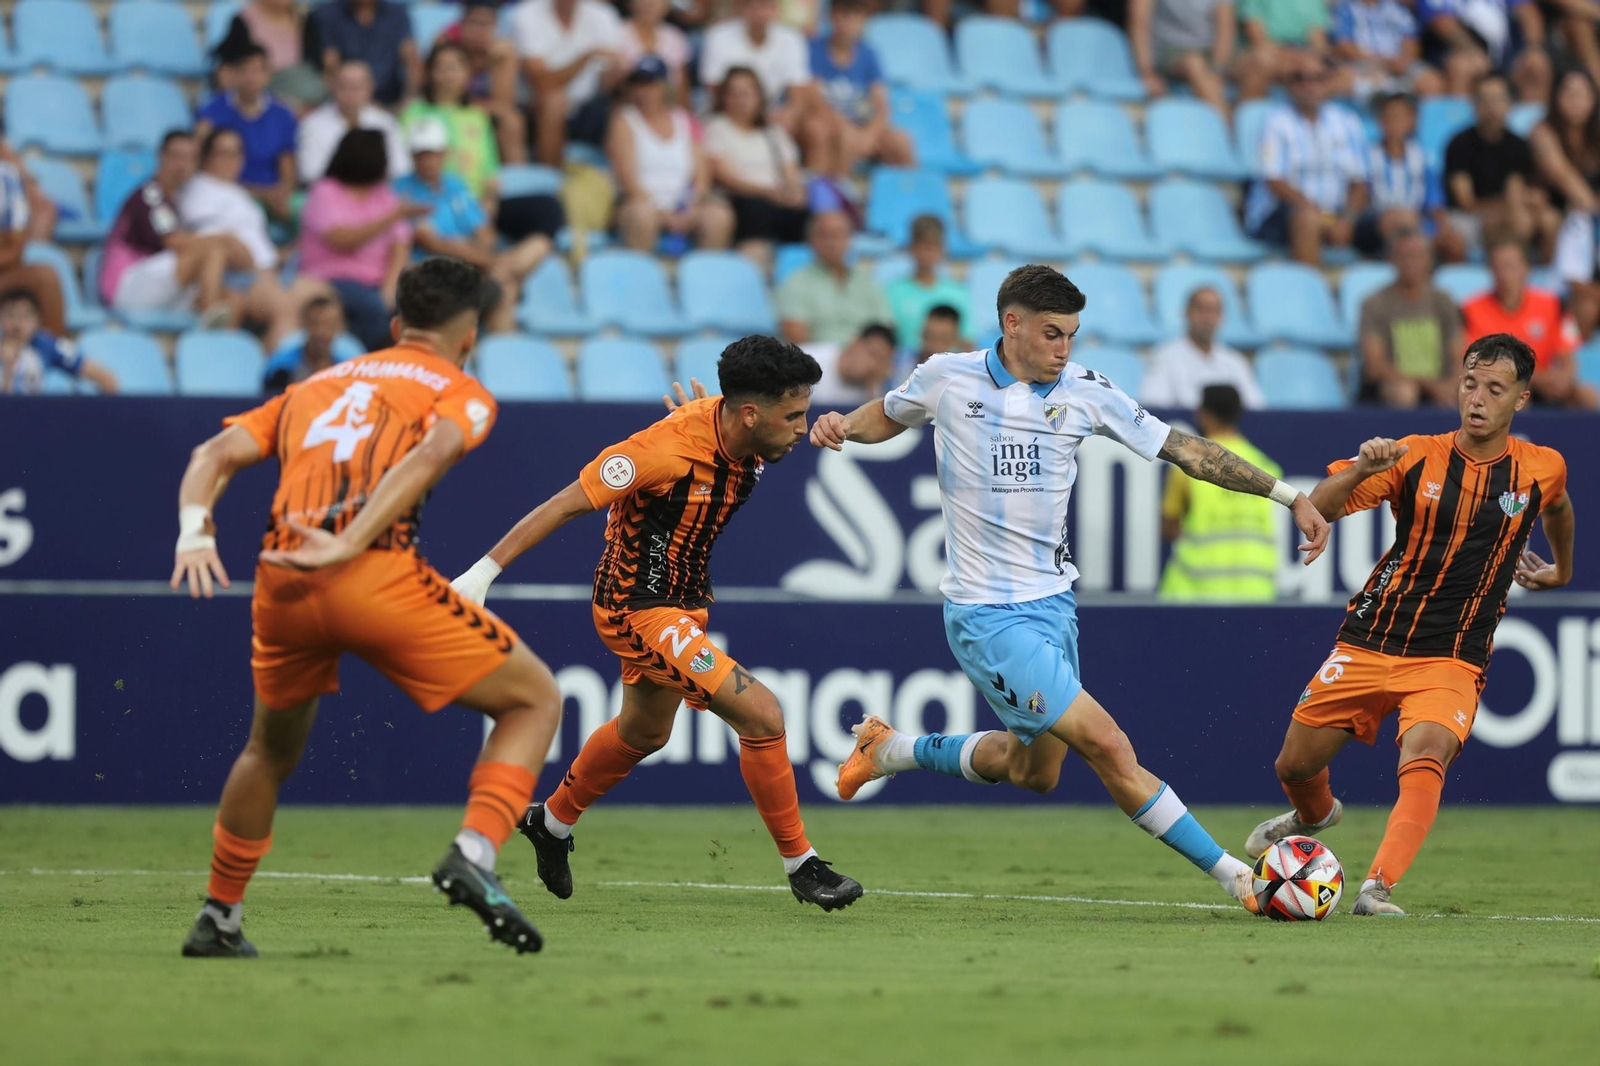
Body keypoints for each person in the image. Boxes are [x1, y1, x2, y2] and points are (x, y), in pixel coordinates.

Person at [818, 265, 1330, 916]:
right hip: (988, 615)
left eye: (1073, 335)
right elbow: (889, 414)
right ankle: (1240, 879)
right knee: (1110, 747)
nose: (1065, 349)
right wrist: (843, 426)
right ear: (1013, 324)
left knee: (1036, 773)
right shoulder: (948, 377)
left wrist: (1286, 495)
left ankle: (889, 749)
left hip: (1054, 606)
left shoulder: (1087, 391)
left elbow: (1185, 450)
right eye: (1053, 334)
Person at [171, 257, 562, 958]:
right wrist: (349, 540)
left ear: (393, 324)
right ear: (469, 332)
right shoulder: (460, 388)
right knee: (534, 699)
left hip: (282, 580)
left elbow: (214, 452)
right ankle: (474, 852)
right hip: (370, 574)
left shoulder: (311, 386)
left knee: (267, 749)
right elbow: (432, 453)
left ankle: (219, 917)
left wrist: (195, 530)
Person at [449, 336, 864, 913]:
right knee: (762, 713)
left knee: (645, 732)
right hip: (636, 607)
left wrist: (705, 417)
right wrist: (480, 576)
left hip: (686, 601)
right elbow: (565, 503)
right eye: (793, 414)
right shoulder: (660, 451)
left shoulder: (737, 432)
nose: (803, 426)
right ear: (750, 413)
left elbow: (714, 438)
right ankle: (803, 866)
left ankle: (551, 822)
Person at [1245, 332, 1573, 917]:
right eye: (1470, 383)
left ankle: (1377, 887)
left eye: (1494, 389)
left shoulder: (1540, 468)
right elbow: (1320, 505)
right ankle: (1316, 816)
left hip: (1453, 655)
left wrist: (1561, 570)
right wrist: (1360, 470)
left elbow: (1560, 507)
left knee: (1426, 754)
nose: (1476, 398)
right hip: (1372, 638)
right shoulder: (1414, 453)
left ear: (1521, 399)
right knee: (1293, 765)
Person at [181, 128, 333, 352]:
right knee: (284, 309)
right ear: (207, 156)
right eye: (223, 153)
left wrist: (280, 254)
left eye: (236, 153)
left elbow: (253, 240)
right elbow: (214, 245)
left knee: (324, 297)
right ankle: (276, 378)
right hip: (239, 278)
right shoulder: (200, 191)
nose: (231, 160)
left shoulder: (238, 192)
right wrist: (253, 264)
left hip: (272, 271)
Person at [395, 118, 552, 334]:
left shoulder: (454, 184)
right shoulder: (402, 189)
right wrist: (489, 260)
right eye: (422, 154)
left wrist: (482, 255)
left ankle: (500, 281)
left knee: (536, 248)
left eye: (433, 153)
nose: (428, 160)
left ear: (444, 154)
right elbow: (432, 243)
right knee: (505, 285)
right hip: (434, 273)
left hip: (470, 265)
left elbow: (484, 231)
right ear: (412, 156)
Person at [299, 129, 424, 351]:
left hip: (377, 283)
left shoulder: (382, 193)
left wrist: (390, 286)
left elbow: (400, 244)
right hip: (333, 278)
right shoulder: (325, 191)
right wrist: (391, 216)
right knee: (371, 309)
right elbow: (342, 239)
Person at [1158, 385, 1281, 603]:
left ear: (1204, 414)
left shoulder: (1187, 467)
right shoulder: (1267, 468)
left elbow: (1169, 528)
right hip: (1256, 593)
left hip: (1195, 594)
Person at [100, 131, 236, 326]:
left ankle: (218, 343)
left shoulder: (178, 199)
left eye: (190, 158)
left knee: (233, 296)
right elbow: (172, 241)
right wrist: (224, 240)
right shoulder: (150, 194)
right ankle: (210, 328)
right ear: (160, 157)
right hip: (125, 290)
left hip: (158, 288)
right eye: (176, 156)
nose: (182, 165)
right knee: (212, 251)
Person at [1244, 54, 1370, 264]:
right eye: (1299, 78)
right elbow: (1274, 180)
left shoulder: (1348, 122)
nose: (1308, 85)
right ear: (1289, 85)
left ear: (1328, 82)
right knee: (1307, 218)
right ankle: (1312, 293)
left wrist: (1346, 220)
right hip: (1279, 214)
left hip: (1337, 214)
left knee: (1399, 222)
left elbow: (1360, 181)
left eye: (1317, 78)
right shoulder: (1273, 122)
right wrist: (1323, 218)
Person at [607, 56, 735, 253]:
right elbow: (627, 179)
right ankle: (640, 278)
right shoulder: (624, 121)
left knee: (719, 216)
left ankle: (706, 279)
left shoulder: (685, 120)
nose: (644, 92)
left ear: (665, 87)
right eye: (639, 85)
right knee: (642, 216)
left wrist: (691, 208)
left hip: (682, 205)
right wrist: (663, 215)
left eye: (651, 85)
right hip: (640, 203)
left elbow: (702, 176)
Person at [1462, 238, 1597, 408]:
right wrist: (1533, 380)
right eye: (1498, 267)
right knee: (1517, 395)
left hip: (1548, 386)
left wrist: (1563, 379)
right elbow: (1474, 366)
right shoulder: (1471, 310)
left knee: (1587, 395)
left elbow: (1568, 357)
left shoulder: (1554, 305)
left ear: (1526, 269)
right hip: (1498, 387)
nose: (1504, 274)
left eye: (1511, 266)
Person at [704, 67, 810, 266]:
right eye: (733, 93)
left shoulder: (773, 132)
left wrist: (793, 192)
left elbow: (790, 171)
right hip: (743, 201)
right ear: (723, 98)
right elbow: (723, 176)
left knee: (805, 214)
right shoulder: (717, 127)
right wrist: (768, 192)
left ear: (759, 97)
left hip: (776, 199)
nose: (740, 100)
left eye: (746, 93)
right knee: (755, 209)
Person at [803, 0, 913, 180]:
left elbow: (882, 105)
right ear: (831, 18)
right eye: (841, 15)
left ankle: (909, 199)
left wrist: (869, 135)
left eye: (853, 16)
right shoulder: (814, 50)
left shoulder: (869, 54)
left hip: (862, 126)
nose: (845, 23)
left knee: (901, 141)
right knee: (836, 135)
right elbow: (814, 101)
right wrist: (846, 129)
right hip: (831, 124)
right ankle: (840, 199)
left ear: (863, 21)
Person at [1358, 227, 1463, 406]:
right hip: (1394, 386)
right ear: (1393, 260)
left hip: (1440, 385)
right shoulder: (1375, 303)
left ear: (1428, 260)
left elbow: (1458, 354)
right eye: (1404, 256)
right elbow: (1375, 366)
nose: (1411, 262)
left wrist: (1454, 383)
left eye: (1418, 255)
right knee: (1404, 391)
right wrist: (1429, 385)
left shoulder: (1443, 301)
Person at [513, 0, 624, 167]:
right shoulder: (526, 14)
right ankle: (551, 180)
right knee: (554, 100)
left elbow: (614, 71)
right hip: (536, 104)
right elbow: (543, 82)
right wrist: (586, 57)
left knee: (635, 95)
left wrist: (614, 75)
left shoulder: (603, 14)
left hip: (593, 104)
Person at [196, 45, 298, 222]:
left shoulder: (283, 114)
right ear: (233, 74)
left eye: (257, 71)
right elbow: (205, 168)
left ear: (268, 74)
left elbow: (288, 171)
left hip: (274, 196)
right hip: (227, 194)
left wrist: (281, 195)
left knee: (310, 212)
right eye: (244, 71)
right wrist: (259, 194)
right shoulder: (211, 114)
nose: (251, 78)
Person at [1446, 73, 1544, 254]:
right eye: (1484, 100)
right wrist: (1511, 200)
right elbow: (1466, 203)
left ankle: (1543, 274)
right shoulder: (1459, 144)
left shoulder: (1520, 146)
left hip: (1513, 213)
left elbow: (1528, 192)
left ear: (1510, 104)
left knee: (1548, 219)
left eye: (1497, 99)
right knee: (1510, 215)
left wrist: (1522, 199)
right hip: (1470, 218)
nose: (1491, 107)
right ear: (1474, 105)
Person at [1533, 69, 1600, 324]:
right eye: (1568, 93)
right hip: (1562, 219)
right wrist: (1590, 205)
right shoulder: (1543, 131)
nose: (1575, 101)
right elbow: (1559, 173)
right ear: (1556, 97)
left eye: (1582, 94)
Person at [1364, 92, 1463, 260]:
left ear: (1412, 121)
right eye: (1391, 117)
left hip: (1416, 219)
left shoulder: (1421, 158)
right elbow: (1362, 199)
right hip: (1379, 219)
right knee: (1398, 221)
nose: (1396, 123)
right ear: (1380, 121)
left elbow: (1434, 202)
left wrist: (1444, 227)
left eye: (1401, 117)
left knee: (1455, 243)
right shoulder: (1368, 156)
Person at [402, 42, 502, 199]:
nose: (448, 74)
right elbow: (404, 164)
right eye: (442, 67)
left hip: (473, 201)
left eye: (455, 67)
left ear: (467, 73)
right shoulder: (413, 113)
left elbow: (490, 170)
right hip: (429, 200)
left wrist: (489, 204)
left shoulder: (477, 115)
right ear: (430, 72)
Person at [776, 211, 889, 346]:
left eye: (838, 235)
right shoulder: (795, 282)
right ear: (810, 241)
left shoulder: (867, 282)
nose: (831, 242)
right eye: (824, 235)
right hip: (816, 359)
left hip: (865, 357)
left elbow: (885, 330)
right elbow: (795, 336)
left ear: (850, 239)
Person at [1142, 286, 1264, 409]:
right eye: (1201, 309)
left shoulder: (1235, 361)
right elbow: (1154, 409)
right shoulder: (1164, 357)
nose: (1207, 318)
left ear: (1222, 317)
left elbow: (1255, 409)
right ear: (1187, 312)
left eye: (1214, 310)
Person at [297, 60, 411, 184]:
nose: (350, 93)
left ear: (370, 87)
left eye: (357, 87)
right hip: (331, 198)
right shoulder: (312, 125)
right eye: (344, 86)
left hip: (376, 197)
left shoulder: (386, 123)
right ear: (333, 86)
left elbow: (401, 169)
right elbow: (310, 173)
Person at [1414, 0, 1551, 102]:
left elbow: (1529, 12)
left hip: (1507, 60)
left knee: (1536, 64)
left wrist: (1533, 48)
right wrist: (1473, 50)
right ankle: (1461, 131)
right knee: (1462, 67)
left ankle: (1527, 130)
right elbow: (1441, 23)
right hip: (1455, 57)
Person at [444, 1, 528, 166]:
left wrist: (491, 62)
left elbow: (502, 104)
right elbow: (442, 94)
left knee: (512, 121)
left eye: (486, 24)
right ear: (461, 24)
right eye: (473, 22)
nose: (479, 30)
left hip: (481, 112)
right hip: (447, 108)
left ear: (495, 26)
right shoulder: (446, 47)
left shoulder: (503, 52)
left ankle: (518, 182)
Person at [1128, 0, 1237, 117]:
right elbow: (1139, 23)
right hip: (1169, 51)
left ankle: (1245, 126)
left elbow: (1226, 27)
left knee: (1256, 63)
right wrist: (1147, 72)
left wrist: (1217, 70)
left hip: (1210, 51)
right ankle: (1229, 129)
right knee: (1194, 63)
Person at [0, 288, 117, 395]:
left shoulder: (46, 344)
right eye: (11, 315)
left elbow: (106, 379)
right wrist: (8, 368)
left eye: (25, 316)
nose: (17, 324)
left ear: (37, 320)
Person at [304, 0, 418, 107]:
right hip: (347, 101)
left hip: (390, 101)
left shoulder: (397, 14)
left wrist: (407, 102)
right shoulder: (328, 15)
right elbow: (330, 66)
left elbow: (411, 61)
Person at [214, 0, 324, 110]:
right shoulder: (244, 21)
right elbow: (227, 74)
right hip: (266, 99)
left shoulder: (305, 19)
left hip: (311, 101)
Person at [884, 216, 969, 355]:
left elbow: (968, 342)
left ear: (942, 249)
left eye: (933, 247)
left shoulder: (958, 293)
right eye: (922, 247)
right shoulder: (893, 292)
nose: (927, 253)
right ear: (912, 248)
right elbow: (887, 341)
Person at [1328, 0, 1443, 101]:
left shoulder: (1397, 8)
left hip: (1398, 64)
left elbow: (1411, 42)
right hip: (1363, 64)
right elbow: (1344, 46)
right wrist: (1381, 63)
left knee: (1431, 82)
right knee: (1342, 80)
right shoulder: (1345, 8)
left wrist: (1401, 62)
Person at [0, 159, 66, 336]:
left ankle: (52, 355)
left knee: (46, 278)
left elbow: (15, 248)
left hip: (4, 275)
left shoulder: (6, 178)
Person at [1235, 0, 1331, 100]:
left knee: (1318, 67)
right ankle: (1249, 112)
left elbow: (1318, 42)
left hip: (1300, 56)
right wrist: (1292, 56)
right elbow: (1257, 38)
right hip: (1263, 53)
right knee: (1263, 59)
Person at [262, 295, 345, 393]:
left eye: (329, 324)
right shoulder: (282, 368)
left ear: (340, 326)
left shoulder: (346, 369)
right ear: (304, 323)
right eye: (315, 324)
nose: (321, 332)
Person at [617, 0, 693, 103]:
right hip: (627, 106)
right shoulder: (617, 33)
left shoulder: (675, 37)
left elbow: (682, 89)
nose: (649, 3)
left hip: (667, 108)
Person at [808, 321, 897, 405]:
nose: (873, 365)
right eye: (873, 354)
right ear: (855, 343)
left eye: (881, 362)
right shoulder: (810, 360)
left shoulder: (868, 388)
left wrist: (873, 390)